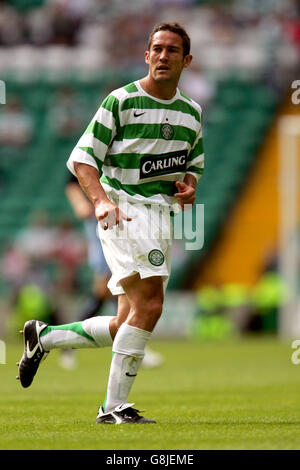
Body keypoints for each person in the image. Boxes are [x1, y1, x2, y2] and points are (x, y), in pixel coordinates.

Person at [17, 22, 204, 424]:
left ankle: (44, 337)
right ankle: (113, 408)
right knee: (151, 304)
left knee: (127, 318)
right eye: (156, 48)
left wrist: (189, 188)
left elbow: (191, 169)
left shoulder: (192, 114)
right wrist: (100, 202)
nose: (163, 55)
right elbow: (83, 159)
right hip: (123, 209)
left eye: (173, 50)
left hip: (159, 216)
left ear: (186, 60)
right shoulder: (120, 102)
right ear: (146, 54)